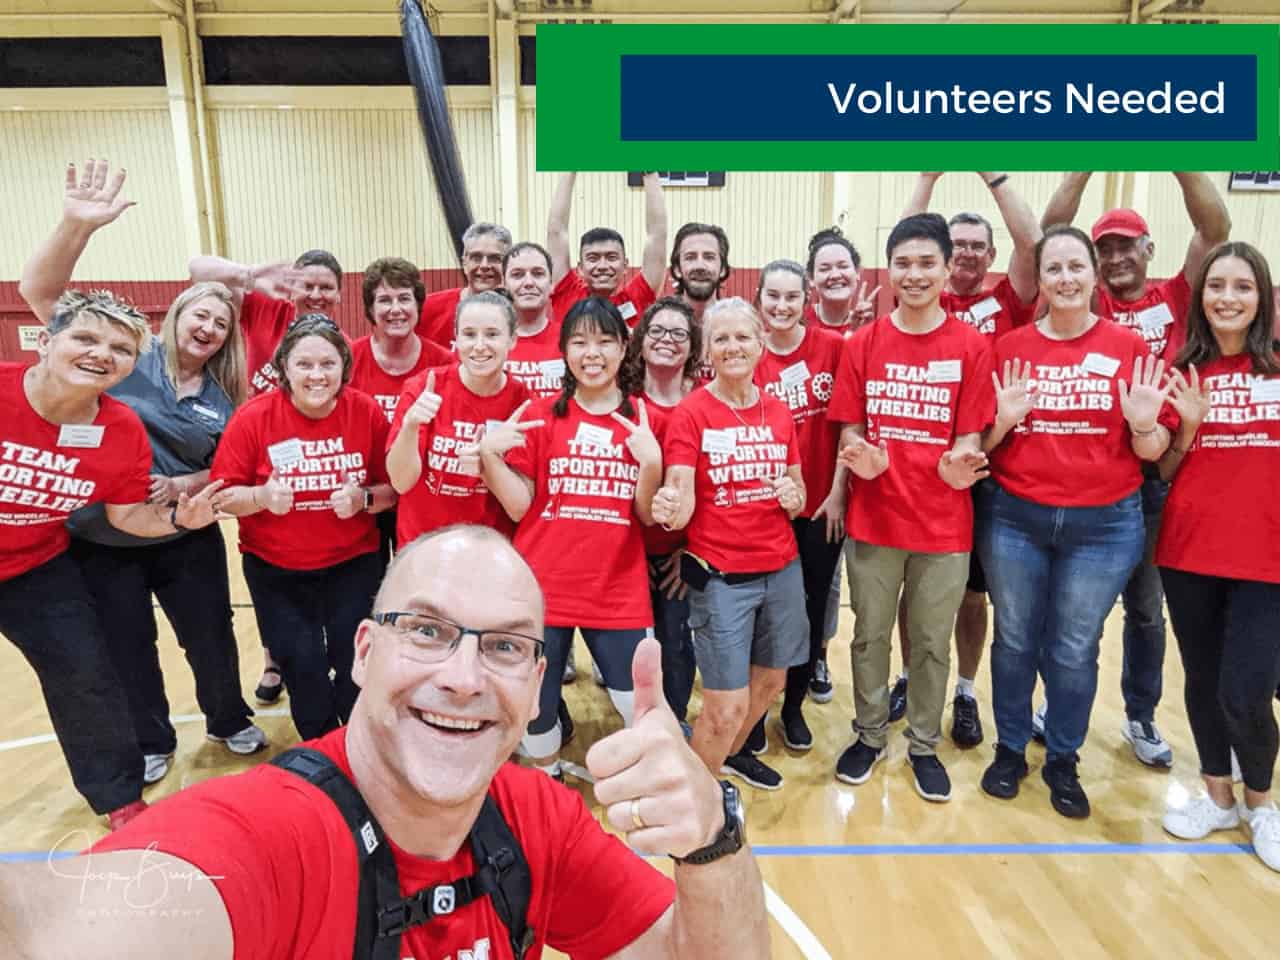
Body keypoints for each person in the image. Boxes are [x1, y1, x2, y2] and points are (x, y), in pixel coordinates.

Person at [0, 526, 770, 959]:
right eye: (428, 631)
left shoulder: (537, 819)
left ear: (539, 683)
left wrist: (712, 837)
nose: (465, 678)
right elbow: (56, 931)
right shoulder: (268, 836)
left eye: (504, 647)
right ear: (364, 652)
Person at [4, 158, 225, 828]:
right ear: (47, 340)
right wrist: (77, 224)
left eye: (119, 349)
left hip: (33, 567)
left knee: (87, 674)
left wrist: (180, 521)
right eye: (86, 338)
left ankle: (120, 800)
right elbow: (40, 283)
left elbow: (131, 515)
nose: (101, 353)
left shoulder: (120, 430)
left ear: (134, 362)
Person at [977, 224, 1172, 819]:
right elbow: (980, 444)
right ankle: (1010, 748)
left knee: (1073, 645)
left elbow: (1155, 450)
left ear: (1093, 276)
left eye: (1075, 267)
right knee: (1013, 637)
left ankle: (1063, 756)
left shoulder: (1127, 349)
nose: (1065, 279)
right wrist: (1003, 422)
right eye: (1053, 269)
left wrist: (1144, 424)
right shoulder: (1008, 348)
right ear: (1040, 280)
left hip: (1105, 527)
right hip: (1016, 518)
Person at [1038, 172, 1230, 767]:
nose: (1117, 256)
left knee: (1146, 610)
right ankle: (1058, 708)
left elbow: (1215, 228)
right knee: (1074, 612)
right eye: (1106, 248)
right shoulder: (1086, 301)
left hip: (1160, 474)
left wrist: (1179, 157)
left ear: (1149, 250)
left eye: (1128, 245)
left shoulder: (1176, 295)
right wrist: (1082, 164)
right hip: (1096, 477)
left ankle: (1141, 717)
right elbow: (1052, 231)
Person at [68, 280, 268, 785]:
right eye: (201, 316)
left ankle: (228, 719)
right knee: (128, 644)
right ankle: (152, 739)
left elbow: (229, 468)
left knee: (210, 636)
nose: (208, 329)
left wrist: (181, 483)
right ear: (177, 314)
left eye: (221, 325)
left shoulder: (225, 395)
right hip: (104, 539)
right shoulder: (131, 360)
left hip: (186, 534)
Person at [827, 215, 994, 804]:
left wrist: (962, 460)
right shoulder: (863, 343)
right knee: (869, 636)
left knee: (929, 642)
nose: (915, 274)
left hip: (945, 524)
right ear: (889, 269)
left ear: (949, 269)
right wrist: (860, 457)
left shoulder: (973, 346)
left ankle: (924, 743)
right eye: (904, 263)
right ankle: (869, 734)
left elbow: (971, 434)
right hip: (875, 520)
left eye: (928, 263)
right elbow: (850, 425)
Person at [888, 172, 1042, 748]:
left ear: (992, 254)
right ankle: (908, 676)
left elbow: (1033, 244)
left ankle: (966, 691)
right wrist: (925, 178)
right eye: (962, 245)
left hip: (991, 469)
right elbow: (906, 238)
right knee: (913, 588)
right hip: (924, 473)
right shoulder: (929, 297)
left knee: (973, 595)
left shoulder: (1008, 300)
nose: (971, 253)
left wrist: (996, 178)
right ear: (946, 259)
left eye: (981, 244)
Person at [480, 297, 662, 779]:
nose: (592, 352)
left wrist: (652, 463)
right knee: (534, 714)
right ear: (564, 352)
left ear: (625, 349)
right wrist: (489, 458)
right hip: (542, 591)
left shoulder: (643, 419)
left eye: (604, 341)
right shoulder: (540, 416)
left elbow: (646, 514)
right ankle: (546, 786)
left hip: (617, 591)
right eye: (579, 341)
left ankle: (637, 794)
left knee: (638, 706)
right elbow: (520, 507)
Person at [1155, 241, 1280, 873]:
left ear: (1262, 297)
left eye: (1242, 286)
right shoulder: (1184, 369)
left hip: (1268, 557)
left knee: (1248, 688)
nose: (1227, 298)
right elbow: (1167, 468)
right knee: (1202, 679)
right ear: (1200, 297)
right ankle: (1217, 795)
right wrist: (1188, 429)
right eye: (1216, 286)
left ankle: (1263, 803)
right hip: (1191, 549)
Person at [210, 315, 396, 740]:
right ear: (284, 369)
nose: (317, 375)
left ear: (344, 367)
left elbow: (394, 490)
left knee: (355, 661)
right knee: (302, 664)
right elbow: (222, 496)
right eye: (305, 365)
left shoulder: (364, 411)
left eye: (328, 364)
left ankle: (355, 743)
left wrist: (364, 499)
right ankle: (320, 746)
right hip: (277, 570)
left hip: (353, 564)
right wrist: (261, 497)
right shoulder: (254, 418)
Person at [654, 297, 809, 791]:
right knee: (724, 706)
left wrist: (794, 495)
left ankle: (729, 759)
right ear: (707, 352)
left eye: (743, 337)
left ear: (761, 345)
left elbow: (798, 492)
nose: (733, 347)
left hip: (782, 570)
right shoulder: (691, 414)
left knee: (771, 683)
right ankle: (694, 798)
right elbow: (678, 483)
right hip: (722, 579)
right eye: (721, 338)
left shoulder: (779, 413)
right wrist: (670, 504)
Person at [189, 244, 350, 703]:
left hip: (301, 463)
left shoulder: (333, 344)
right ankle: (273, 659)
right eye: (307, 283)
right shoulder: (264, 310)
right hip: (247, 448)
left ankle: (311, 658)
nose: (315, 293)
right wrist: (252, 271)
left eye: (325, 287)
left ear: (339, 294)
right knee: (267, 560)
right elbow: (197, 267)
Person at [744, 260, 846, 753]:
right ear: (758, 299)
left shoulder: (833, 349)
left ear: (807, 298)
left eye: (791, 297)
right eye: (772, 297)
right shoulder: (747, 356)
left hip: (820, 508)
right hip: (761, 514)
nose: (782, 307)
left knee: (807, 612)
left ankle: (793, 707)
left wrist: (839, 492)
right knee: (763, 617)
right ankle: (756, 710)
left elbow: (851, 426)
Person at [387, 291, 530, 544]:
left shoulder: (524, 403)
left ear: (512, 340)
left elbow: (519, 509)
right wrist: (410, 426)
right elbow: (400, 483)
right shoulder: (424, 387)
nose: (479, 345)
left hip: (488, 551)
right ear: (456, 339)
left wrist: (488, 464)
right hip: (424, 548)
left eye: (492, 334)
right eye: (469, 334)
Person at [623, 297, 704, 723]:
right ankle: (638, 727)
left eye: (678, 333)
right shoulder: (622, 404)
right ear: (640, 342)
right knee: (633, 649)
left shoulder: (706, 404)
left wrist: (689, 553)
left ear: (692, 347)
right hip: (627, 552)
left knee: (675, 645)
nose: (666, 341)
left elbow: (712, 489)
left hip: (679, 553)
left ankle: (673, 731)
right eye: (656, 331)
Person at [349, 257, 453, 564]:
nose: (396, 309)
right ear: (370, 309)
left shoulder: (444, 364)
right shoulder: (349, 361)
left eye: (404, 298)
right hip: (366, 498)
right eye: (384, 300)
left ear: (418, 305)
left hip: (422, 500)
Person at [546, 171, 667, 324]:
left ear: (625, 266)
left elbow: (657, 236)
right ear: (580, 268)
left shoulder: (637, 299)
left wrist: (650, 175)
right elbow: (556, 232)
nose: (602, 266)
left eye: (611, 257)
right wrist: (570, 168)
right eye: (593, 258)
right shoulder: (568, 295)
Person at [416, 222, 513, 348]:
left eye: (494, 258)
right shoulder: (428, 309)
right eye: (476, 257)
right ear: (464, 263)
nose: (484, 266)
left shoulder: (520, 312)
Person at [502, 241, 566, 399]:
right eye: (517, 275)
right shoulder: (487, 342)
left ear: (551, 284)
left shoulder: (570, 340)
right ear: (504, 284)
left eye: (538, 274)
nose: (529, 283)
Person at [804, 227, 879, 337]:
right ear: (811, 278)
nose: (835, 275)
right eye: (825, 269)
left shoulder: (866, 325)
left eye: (843, 266)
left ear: (857, 271)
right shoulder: (798, 321)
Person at [670, 221, 732, 325]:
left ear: (723, 269)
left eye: (709, 257)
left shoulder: (735, 323)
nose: (700, 266)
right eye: (690, 257)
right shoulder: (662, 324)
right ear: (677, 269)